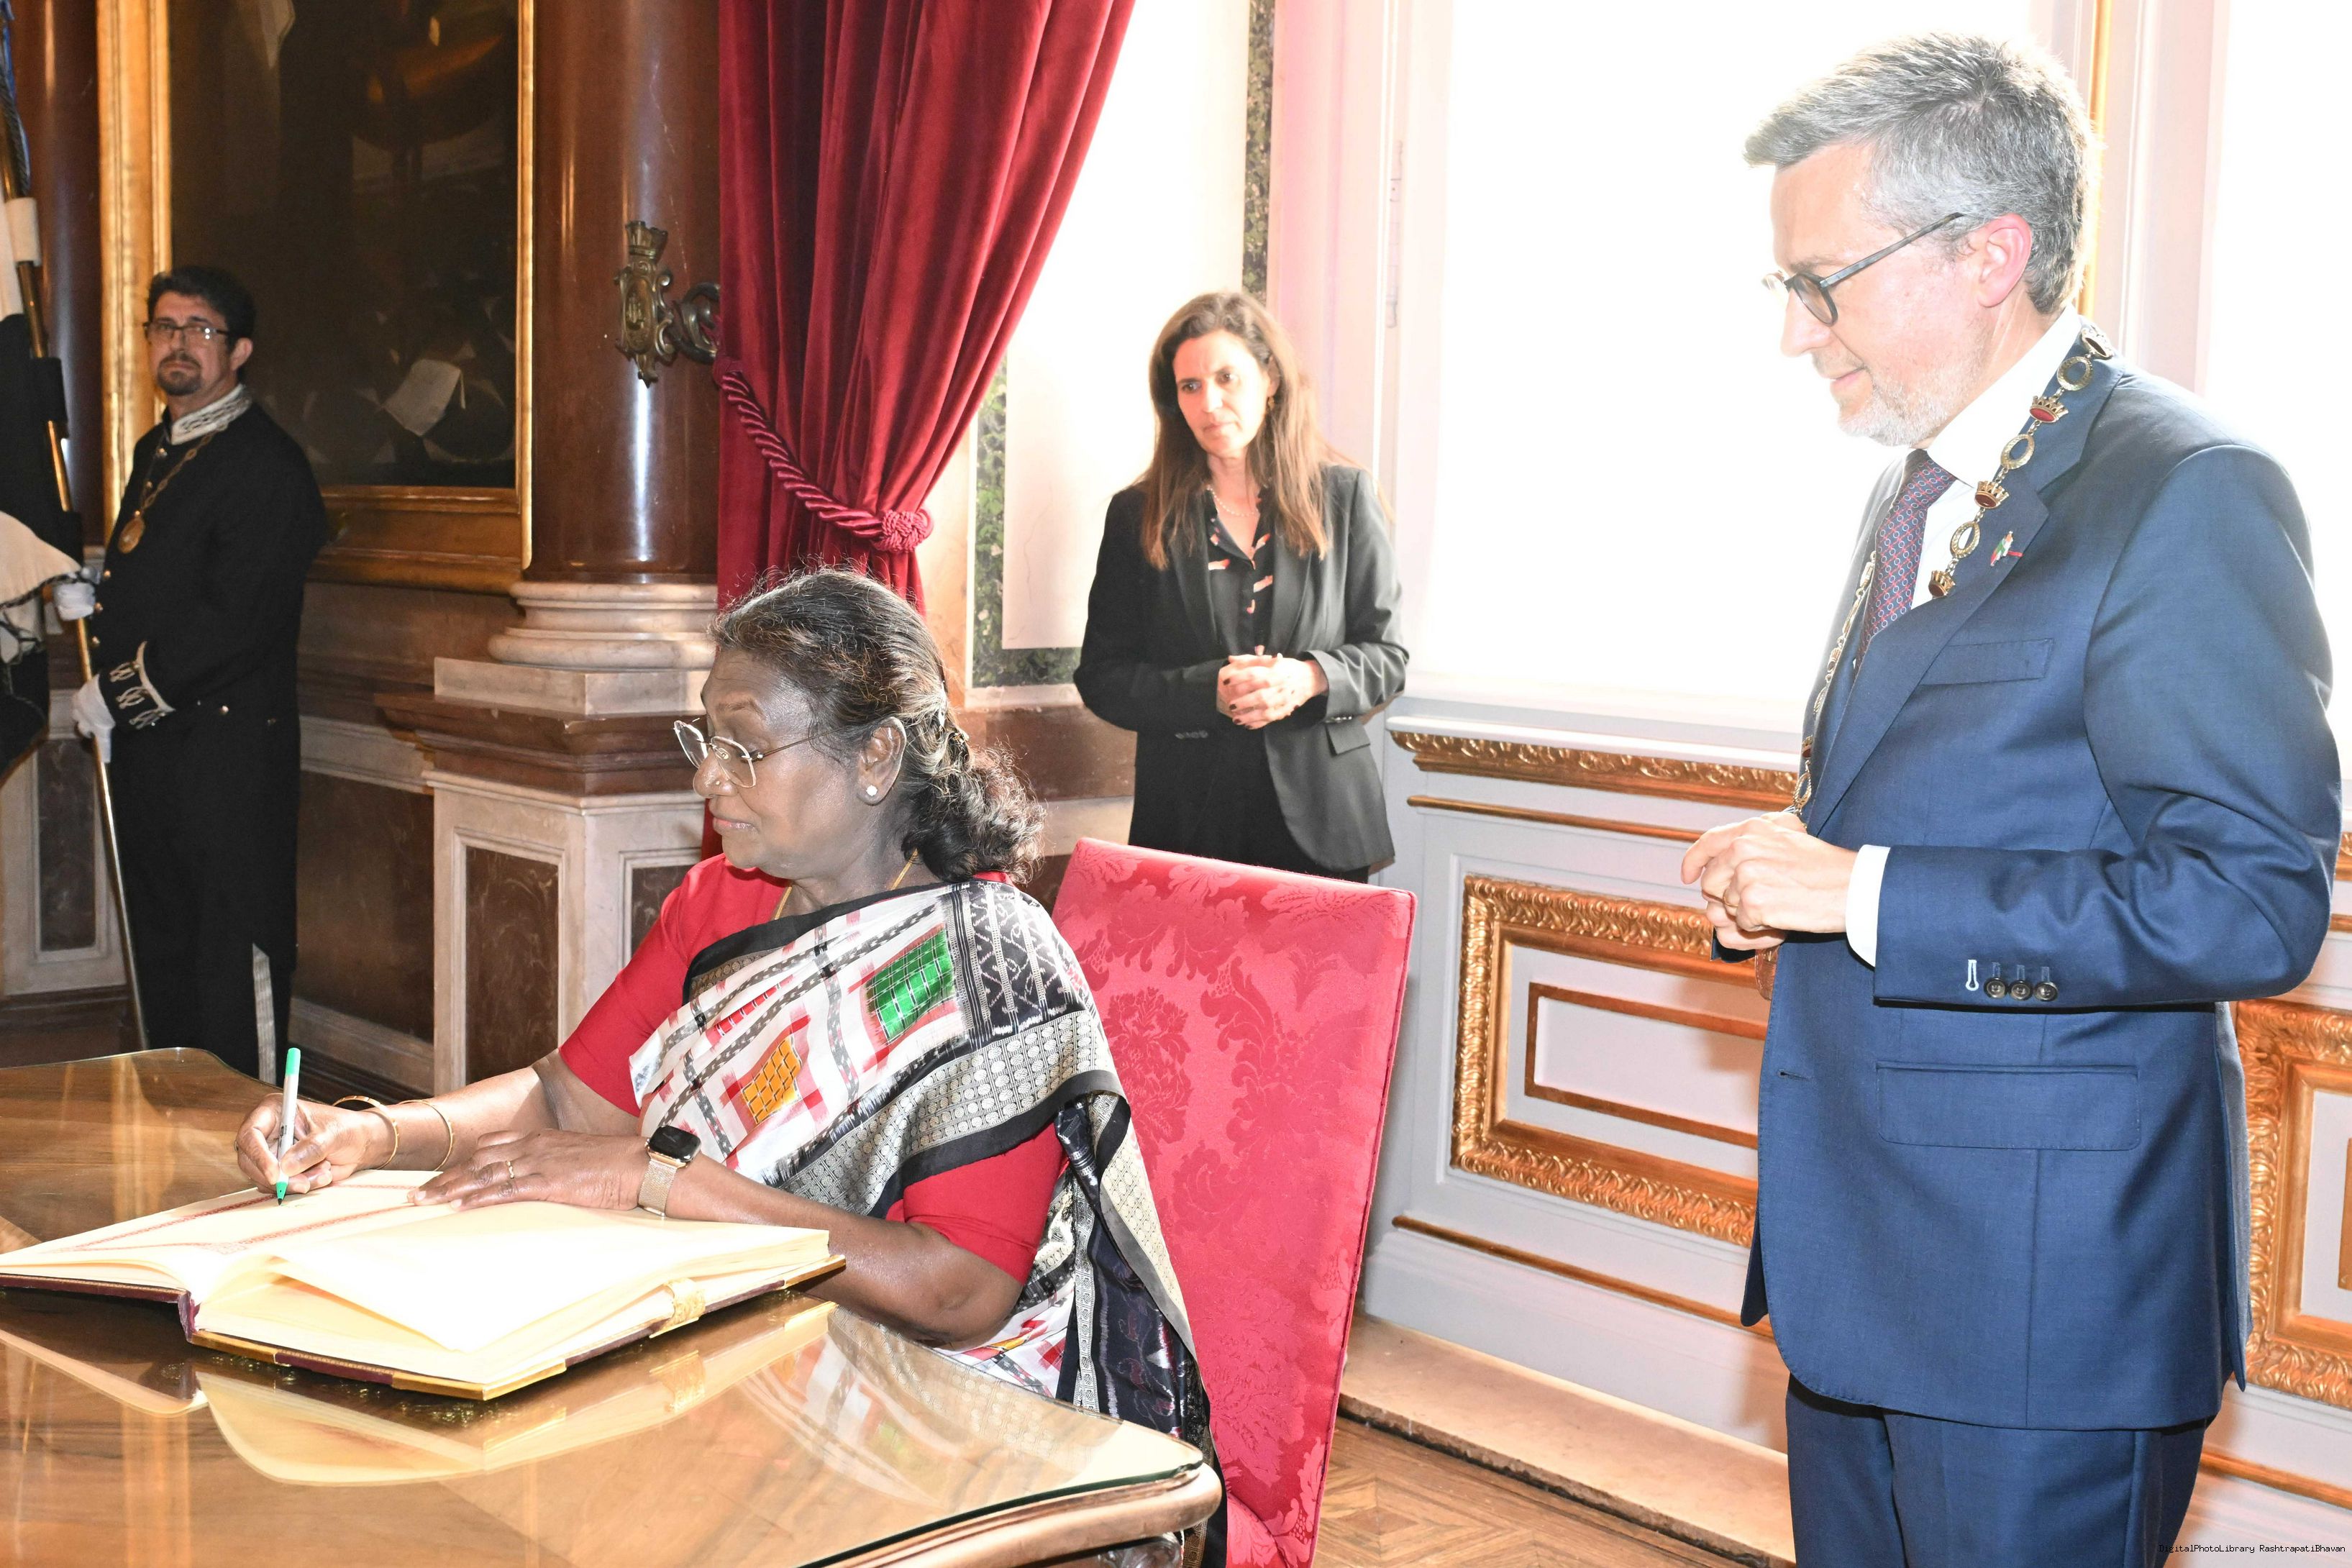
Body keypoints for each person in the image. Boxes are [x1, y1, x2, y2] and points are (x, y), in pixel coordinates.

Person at [1683, 34, 2338, 1565]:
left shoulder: (2189, 490)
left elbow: (2252, 900)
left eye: (1822, 283)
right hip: (1858, 1276)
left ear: (1990, 254)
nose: (1795, 332)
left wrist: (1867, 893)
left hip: (2045, 1313)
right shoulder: (1913, 483)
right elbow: (1945, 800)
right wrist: (1787, 885)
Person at [233, 570, 1212, 1450]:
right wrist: (367, 1135)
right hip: (729, 1352)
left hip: (939, 1416)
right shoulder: (724, 903)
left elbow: (957, 1293)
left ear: (876, 755)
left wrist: (670, 1183)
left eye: (745, 747)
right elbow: (566, 1100)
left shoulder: (987, 962)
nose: (707, 778)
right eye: (706, 740)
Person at [56, 265, 328, 1077]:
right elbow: (166, 580)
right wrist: (99, 593)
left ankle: (245, 1123)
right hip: (155, 757)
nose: (179, 344)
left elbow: (238, 621)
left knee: (229, 956)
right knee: (164, 947)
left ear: (239, 351)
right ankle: (175, 1124)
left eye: (200, 330)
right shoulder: (157, 448)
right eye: (165, 328)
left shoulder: (267, 464)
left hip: (227, 762)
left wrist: (119, 691)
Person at [1076, 291, 1406, 881]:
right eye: (1190, 386)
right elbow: (1103, 677)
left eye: (1227, 378)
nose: (1210, 403)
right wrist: (1209, 690)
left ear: (1270, 380)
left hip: (1324, 820)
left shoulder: (1346, 497)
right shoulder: (1137, 514)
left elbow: (1387, 658)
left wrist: (1309, 678)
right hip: (1188, 819)